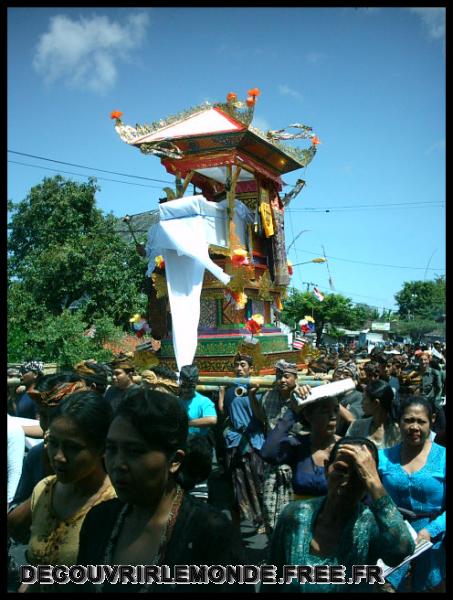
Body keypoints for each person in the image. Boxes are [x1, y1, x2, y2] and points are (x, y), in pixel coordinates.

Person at [73, 387, 247, 593]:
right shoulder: (100, 520)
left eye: (135, 451)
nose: (118, 463)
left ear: (174, 460)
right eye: (111, 449)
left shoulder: (211, 533)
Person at [267, 437, 415, 593]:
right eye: (341, 470)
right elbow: (272, 577)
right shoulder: (295, 515)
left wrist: (375, 483)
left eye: (359, 473)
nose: (347, 481)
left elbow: (401, 550)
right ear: (326, 469)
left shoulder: (372, 524)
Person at [22, 390, 116, 591]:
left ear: (102, 448)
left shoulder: (117, 506)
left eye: (73, 448)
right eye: (53, 443)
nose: (58, 457)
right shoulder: (44, 490)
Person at [7, 372, 88, 544]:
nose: (50, 425)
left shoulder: (103, 457)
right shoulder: (37, 456)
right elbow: (16, 529)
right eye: (43, 416)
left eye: (57, 416)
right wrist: (49, 484)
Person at [378, 396, 446, 592]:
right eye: (408, 420)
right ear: (399, 421)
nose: (414, 427)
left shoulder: (443, 458)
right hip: (392, 542)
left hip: (434, 544)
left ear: (432, 420)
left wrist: (430, 531)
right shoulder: (383, 458)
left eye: (421, 421)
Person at [253, 361, 307, 535]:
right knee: (269, 508)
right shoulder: (269, 396)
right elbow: (261, 416)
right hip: (273, 459)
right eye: (279, 376)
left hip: (297, 460)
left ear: (295, 378)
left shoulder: (304, 395)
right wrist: (251, 397)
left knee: (294, 511)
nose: (282, 380)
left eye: (286, 376)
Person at [261, 390, 340, 504]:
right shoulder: (299, 445)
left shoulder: (346, 446)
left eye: (336, 410)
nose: (333, 416)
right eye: (325, 411)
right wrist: (292, 411)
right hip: (302, 518)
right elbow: (268, 453)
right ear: (308, 416)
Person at [221, 353, 266, 533]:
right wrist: (223, 393)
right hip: (234, 441)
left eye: (243, 365)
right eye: (237, 365)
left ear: (251, 369)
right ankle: (237, 523)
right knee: (237, 483)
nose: (239, 368)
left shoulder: (260, 388)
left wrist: (253, 395)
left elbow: (261, 416)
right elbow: (224, 412)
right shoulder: (230, 389)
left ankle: (261, 519)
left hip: (254, 441)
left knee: (258, 481)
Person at [346, 380, 401, 449]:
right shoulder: (356, 426)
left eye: (364, 399)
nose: (362, 402)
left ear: (376, 403)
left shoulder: (398, 433)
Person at [178, 364, 217, 440]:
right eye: (183, 386)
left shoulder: (204, 401)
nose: (186, 390)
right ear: (179, 381)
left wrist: (188, 423)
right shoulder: (176, 401)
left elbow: (212, 419)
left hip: (198, 445)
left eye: (190, 387)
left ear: (197, 383)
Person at [331, 361, 364, 436]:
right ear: (333, 376)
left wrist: (331, 400)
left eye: (346, 375)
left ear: (354, 380)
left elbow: (352, 419)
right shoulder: (328, 394)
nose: (341, 377)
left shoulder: (359, 397)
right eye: (338, 373)